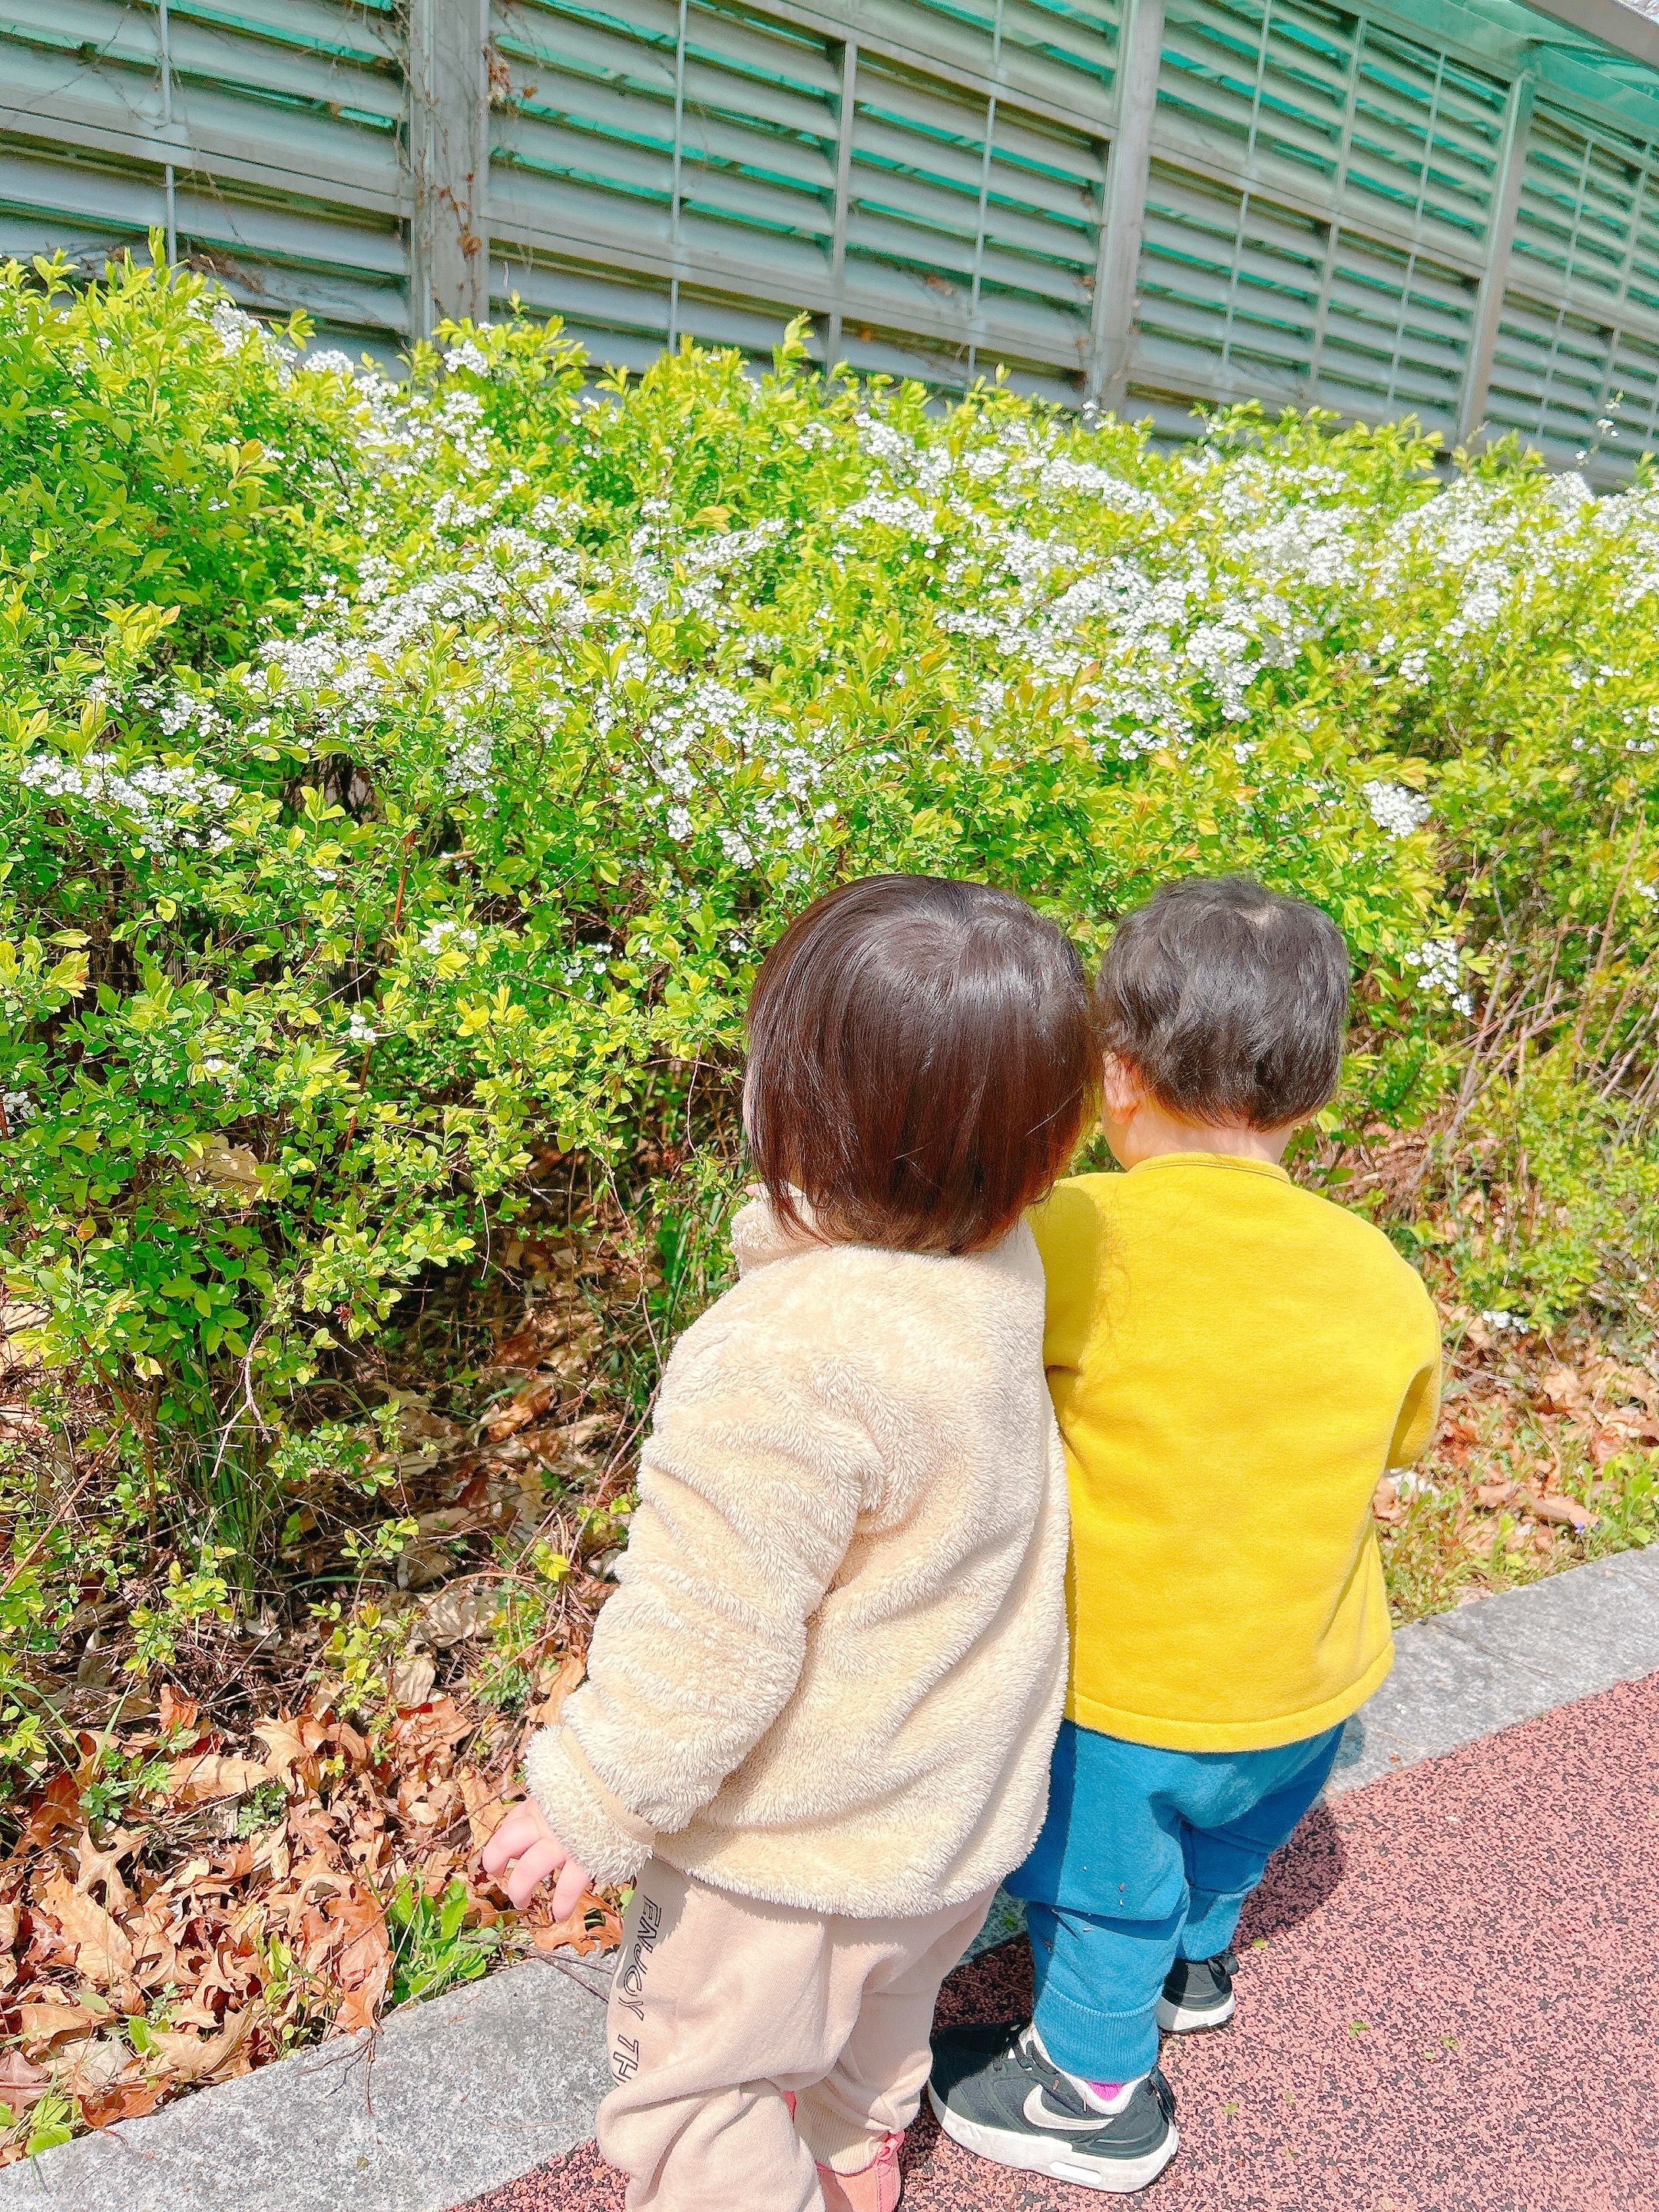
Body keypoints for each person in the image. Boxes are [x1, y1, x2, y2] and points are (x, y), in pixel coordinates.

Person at [485, 874, 1100, 2212]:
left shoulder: (782, 1357)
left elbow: (706, 1632)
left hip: (787, 1858)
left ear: (785, 1102)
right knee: (880, 2028)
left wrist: (591, 1795)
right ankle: (855, 2154)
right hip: (953, 1820)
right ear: (1044, 1141)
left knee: (689, 2099)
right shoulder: (1003, 1260)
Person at [929, 874, 1442, 2194]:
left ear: (1115, 1072)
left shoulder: (1073, 1232)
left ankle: (1092, 2092)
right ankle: (1195, 1965)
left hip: (1134, 1691)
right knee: (1224, 1843)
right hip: (1310, 1680)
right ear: (1318, 1092)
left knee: (1099, 1890)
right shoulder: (1382, 1274)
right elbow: (1400, 1444)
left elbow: (971, 1395)